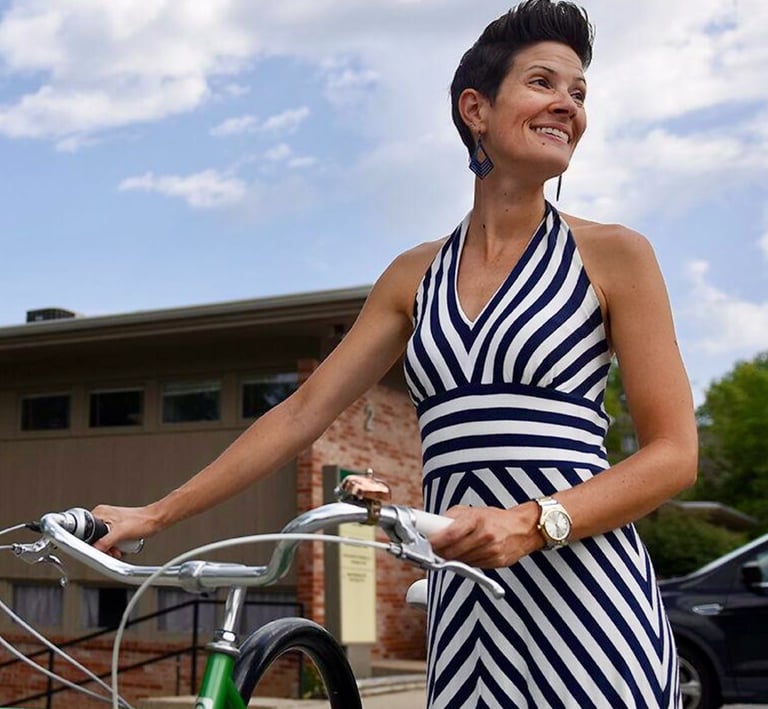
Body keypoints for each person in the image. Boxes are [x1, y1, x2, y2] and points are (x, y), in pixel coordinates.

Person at [94, 1, 698, 707]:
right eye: (543, 83)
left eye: (579, 93)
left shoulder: (616, 255)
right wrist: (155, 515)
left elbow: (675, 453)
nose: (568, 104)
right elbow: (301, 413)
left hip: (592, 607)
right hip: (471, 620)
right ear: (476, 108)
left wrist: (532, 521)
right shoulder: (414, 276)